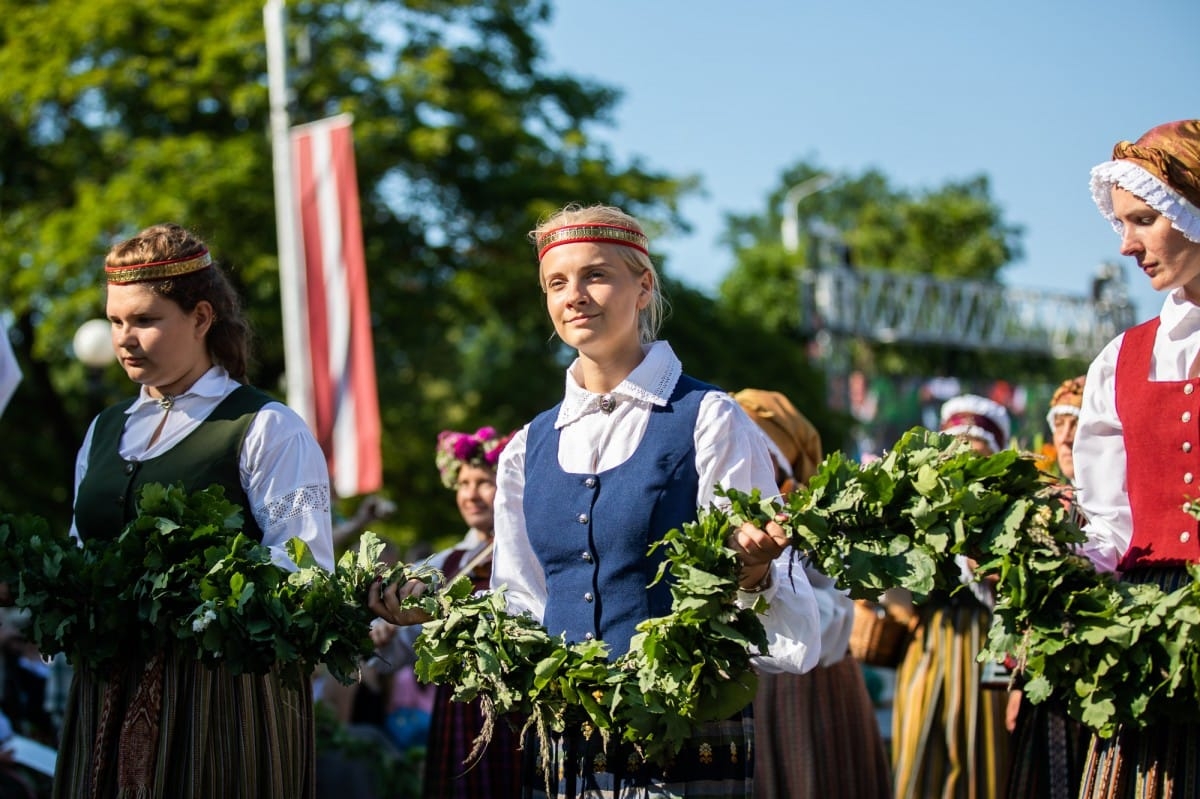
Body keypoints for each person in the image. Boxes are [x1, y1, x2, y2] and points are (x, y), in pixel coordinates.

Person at [373, 203, 821, 798]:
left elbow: (767, 593)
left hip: (684, 726)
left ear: (643, 287)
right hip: (564, 737)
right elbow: (521, 603)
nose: (575, 295)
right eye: (557, 283)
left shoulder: (708, 418)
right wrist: (440, 615)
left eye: (596, 275)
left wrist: (754, 565)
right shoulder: (526, 447)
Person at [55, 223, 335, 798]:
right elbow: (76, 557)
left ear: (202, 317)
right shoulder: (104, 431)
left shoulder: (264, 426)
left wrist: (198, 600)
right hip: (106, 690)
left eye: (145, 320)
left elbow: (307, 572)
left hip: (221, 704)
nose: (125, 338)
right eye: (115, 321)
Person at [1073, 119, 1200, 798]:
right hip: (1147, 644)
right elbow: (1106, 527)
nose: (1126, 245)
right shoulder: (1118, 360)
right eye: (1122, 224)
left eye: (1144, 220)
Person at [733, 388, 892, 799]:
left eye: (750, 446)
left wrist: (765, 611)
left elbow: (838, 611)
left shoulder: (812, 517)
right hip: (740, 686)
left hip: (804, 687)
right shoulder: (724, 513)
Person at [372, 425, 523, 798]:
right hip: (459, 710)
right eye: (463, 483)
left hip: (518, 708)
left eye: (484, 482)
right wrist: (387, 637)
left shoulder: (525, 556)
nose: (471, 494)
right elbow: (405, 648)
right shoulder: (442, 564)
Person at [891, 393, 1012, 799]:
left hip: (987, 646)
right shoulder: (919, 508)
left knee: (983, 764)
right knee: (919, 757)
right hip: (929, 643)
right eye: (954, 449)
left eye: (975, 452)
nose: (962, 462)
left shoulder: (1012, 511)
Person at [1003, 376, 1089, 799]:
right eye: (1061, 423)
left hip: (1099, 670)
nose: (1069, 435)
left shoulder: (1120, 499)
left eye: (1079, 421)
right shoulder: (1040, 500)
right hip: (1044, 682)